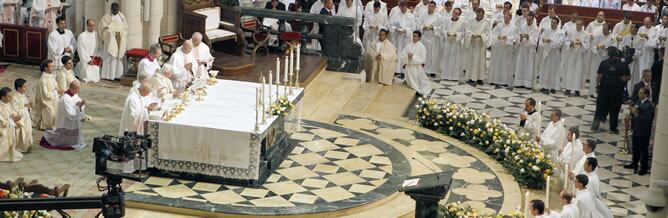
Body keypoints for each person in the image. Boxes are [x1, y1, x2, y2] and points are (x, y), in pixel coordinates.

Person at [119, 83, 158, 173]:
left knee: (135, 146)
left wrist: (147, 108)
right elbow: (133, 116)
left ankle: (136, 166)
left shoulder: (138, 95)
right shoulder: (133, 98)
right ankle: (128, 168)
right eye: (147, 93)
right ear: (143, 91)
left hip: (135, 127)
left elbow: (140, 109)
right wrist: (147, 110)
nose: (147, 95)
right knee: (130, 147)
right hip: (130, 128)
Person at [591, 47, 630, 133]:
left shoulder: (604, 63)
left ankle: (598, 126)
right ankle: (611, 127)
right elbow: (628, 77)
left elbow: (599, 76)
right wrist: (623, 78)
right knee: (613, 110)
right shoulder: (623, 64)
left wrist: (597, 86)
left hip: (609, 90)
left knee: (604, 109)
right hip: (613, 91)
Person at [39, 80, 86, 150]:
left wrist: (80, 105)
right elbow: (69, 113)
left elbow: (79, 104)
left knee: (74, 136)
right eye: (77, 89)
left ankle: (72, 142)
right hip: (65, 121)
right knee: (61, 137)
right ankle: (47, 137)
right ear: (72, 88)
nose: (78, 91)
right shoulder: (65, 98)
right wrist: (78, 107)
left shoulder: (75, 95)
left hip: (73, 121)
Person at [624, 87, 655, 175]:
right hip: (636, 129)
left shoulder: (649, 106)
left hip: (643, 131)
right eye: (639, 92)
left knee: (643, 150)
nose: (639, 94)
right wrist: (629, 117)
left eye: (641, 93)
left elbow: (646, 120)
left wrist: (635, 113)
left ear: (646, 95)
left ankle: (643, 168)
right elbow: (635, 111)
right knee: (635, 148)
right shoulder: (638, 102)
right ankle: (634, 163)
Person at [99, 3, 128, 80]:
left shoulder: (122, 17)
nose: (116, 11)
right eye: (114, 10)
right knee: (110, 58)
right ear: (111, 9)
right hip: (110, 40)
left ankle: (118, 75)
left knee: (119, 58)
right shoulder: (106, 17)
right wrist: (110, 33)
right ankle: (109, 75)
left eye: (117, 10)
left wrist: (123, 33)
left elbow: (126, 28)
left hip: (120, 39)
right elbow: (102, 29)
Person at [562, 20, 589, 96]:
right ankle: (568, 88)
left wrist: (581, 43)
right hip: (572, 55)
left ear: (582, 25)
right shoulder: (571, 32)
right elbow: (566, 41)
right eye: (577, 24)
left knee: (578, 73)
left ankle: (577, 90)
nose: (578, 26)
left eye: (579, 25)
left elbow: (587, 45)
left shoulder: (586, 34)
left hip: (580, 56)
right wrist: (571, 43)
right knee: (570, 72)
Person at [488, 12, 516, 86]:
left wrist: (507, 38)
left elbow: (514, 36)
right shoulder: (499, 25)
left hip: (507, 48)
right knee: (497, 63)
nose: (506, 19)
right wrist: (498, 37)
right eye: (505, 18)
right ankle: (495, 79)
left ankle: (504, 80)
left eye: (507, 18)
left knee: (505, 64)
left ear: (510, 18)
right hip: (499, 47)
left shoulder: (513, 27)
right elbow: (494, 34)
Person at [537, 17, 564, 94]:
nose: (552, 24)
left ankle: (553, 87)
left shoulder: (560, 32)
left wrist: (548, 41)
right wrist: (546, 41)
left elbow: (558, 44)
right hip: (546, 53)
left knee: (554, 70)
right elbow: (541, 40)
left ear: (557, 24)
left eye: (554, 23)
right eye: (552, 22)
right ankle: (544, 86)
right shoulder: (547, 30)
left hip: (554, 54)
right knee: (546, 70)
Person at [588, 24, 615, 98]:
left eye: (605, 29)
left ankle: (603, 92)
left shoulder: (612, 38)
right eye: (603, 29)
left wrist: (606, 48)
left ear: (609, 29)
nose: (603, 30)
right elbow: (593, 46)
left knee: (604, 75)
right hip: (597, 58)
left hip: (606, 59)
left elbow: (613, 48)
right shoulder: (598, 36)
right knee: (595, 74)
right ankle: (593, 91)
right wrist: (597, 47)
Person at [464, 8, 490, 85]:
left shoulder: (487, 22)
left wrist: (481, 36)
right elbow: (468, 30)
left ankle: (480, 78)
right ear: (476, 13)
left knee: (481, 61)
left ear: (483, 14)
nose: (479, 15)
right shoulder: (471, 21)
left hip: (481, 44)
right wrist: (472, 34)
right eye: (477, 13)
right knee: (472, 61)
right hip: (473, 43)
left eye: (480, 14)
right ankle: (472, 78)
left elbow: (488, 33)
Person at [389, 1, 416, 76]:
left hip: (406, 38)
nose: (402, 8)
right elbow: (390, 25)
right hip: (397, 37)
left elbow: (413, 28)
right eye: (401, 7)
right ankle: (396, 69)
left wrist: (406, 30)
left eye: (404, 7)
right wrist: (396, 29)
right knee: (397, 53)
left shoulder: (411, 16)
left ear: (406, 7)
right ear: (399, 7)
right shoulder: (395, 15)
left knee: (405, 53)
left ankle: (404, 70)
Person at [513, 12, 539, 88]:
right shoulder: (522, 26)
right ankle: (519, 83)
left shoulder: (536, 29)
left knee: (529, 67)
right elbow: (517, 36)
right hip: (522, 49)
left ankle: (528, 84)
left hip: (530, 51)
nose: (528, 21)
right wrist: (520, 38)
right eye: (527, 19)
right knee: (520, 65)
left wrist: (528, 38)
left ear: (533, 19)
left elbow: (534, 42)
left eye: (530, 20)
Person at [402, 30, 432, 96]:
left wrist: (413, 57)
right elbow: (403, 54)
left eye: (415, 36)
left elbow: (423, 59)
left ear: (419, 38)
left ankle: (416, 87)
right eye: (413, 36)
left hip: (416, 66)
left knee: (419, 81)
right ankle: (411, 84)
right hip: (409, 65)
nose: (413, 37)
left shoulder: (422, 47)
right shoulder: (409, 45)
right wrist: (407, 56)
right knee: (409, 79)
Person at [440, 8, 465, 81]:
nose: (455, 14)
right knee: (446, 58)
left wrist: (456, 34)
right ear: (452, 12)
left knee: (455, 60)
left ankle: (454, 76)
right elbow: (443, 29)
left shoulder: (462, 22)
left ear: (459, 15)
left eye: (457, 14)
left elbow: (463, 33)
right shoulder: (447, 21)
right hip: (447, 42)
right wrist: (446, 33)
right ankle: (446, 75)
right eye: (454, 12)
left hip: (456, 43)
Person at [619, 24, 644, 95]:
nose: (631, 28)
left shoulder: (640, 39)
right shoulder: (626, 37)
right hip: (625, 62)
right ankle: (623, 92)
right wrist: (625, 54)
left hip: (634, 62)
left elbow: (641, 51)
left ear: (636, 29)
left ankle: (631, 93)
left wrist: (633, 52)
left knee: (633, 78)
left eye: (633, 27)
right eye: (631, 27)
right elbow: (621, 47)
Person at [417, 1, 441, 77]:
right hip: (424, 37)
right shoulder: (423, 15)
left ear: (434, 7)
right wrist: (423, 27)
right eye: (429, 6)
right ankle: (423, 69)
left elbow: (441, 28)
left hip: (433, 38)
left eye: (432, 7)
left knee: (432, 55)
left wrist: (433, 27)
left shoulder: (438, 17)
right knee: (424, 54)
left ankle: (432, 70)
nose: (430, 8)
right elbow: (418, 25)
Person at [34, 59, 58, 130]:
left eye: (53, 66)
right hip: (47, 103)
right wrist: (56, 91)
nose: (53, 68)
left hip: (54, 100)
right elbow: (45, 96)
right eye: (51, 66)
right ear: (46, 68)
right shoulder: (43, 80)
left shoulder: (51, 76)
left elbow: (55, 86)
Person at [0, 87, 22, 162]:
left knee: (12, 140)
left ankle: (10, 153)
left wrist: (16, 118)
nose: (11, 98)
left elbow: (13, 113)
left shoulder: (8, 104)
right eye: (9, 96)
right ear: (3, 97)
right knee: (4, 141)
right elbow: (1, 121)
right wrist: (11, 119)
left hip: (10, 126)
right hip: (2, 129)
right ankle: (3, 155)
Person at [11, 78, 32, 153]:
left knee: (28, 132)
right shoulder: (14, 98)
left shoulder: (23, 95)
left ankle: (27, 146)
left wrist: (28, 107)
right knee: (22, 133)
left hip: (27, 117)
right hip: (21, 120)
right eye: (24, 86)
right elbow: (15, 111)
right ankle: (21, 147)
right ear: (19, 88)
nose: (26, 88)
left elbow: (25, 106)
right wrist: (26, 108)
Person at [637, 17, 657, 82]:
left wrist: (648, 38)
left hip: (649, 54)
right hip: (642, 53)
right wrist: (640, 38)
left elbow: (655, 44)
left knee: (648, 71)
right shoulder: (641, 28)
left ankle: (647, 86)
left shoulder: (655, 30)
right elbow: (637, 39)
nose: (646, 25)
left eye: (647, 24)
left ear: (651, 22)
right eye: (645, 24)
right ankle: (640, 85)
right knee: (640, 71)